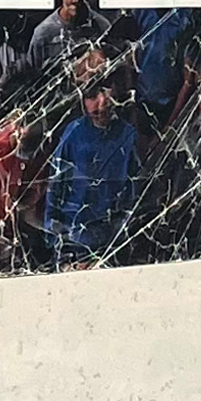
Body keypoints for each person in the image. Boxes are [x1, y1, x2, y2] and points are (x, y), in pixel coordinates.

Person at [44, 69, 141, 266]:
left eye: (106, 93)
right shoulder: (74, 134)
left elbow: (134, 193)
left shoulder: (127, 136)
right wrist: (59, 243)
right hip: (74, 243)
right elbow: (55, 188)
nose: (101, 103)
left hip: (112, 243)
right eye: (91, 97)